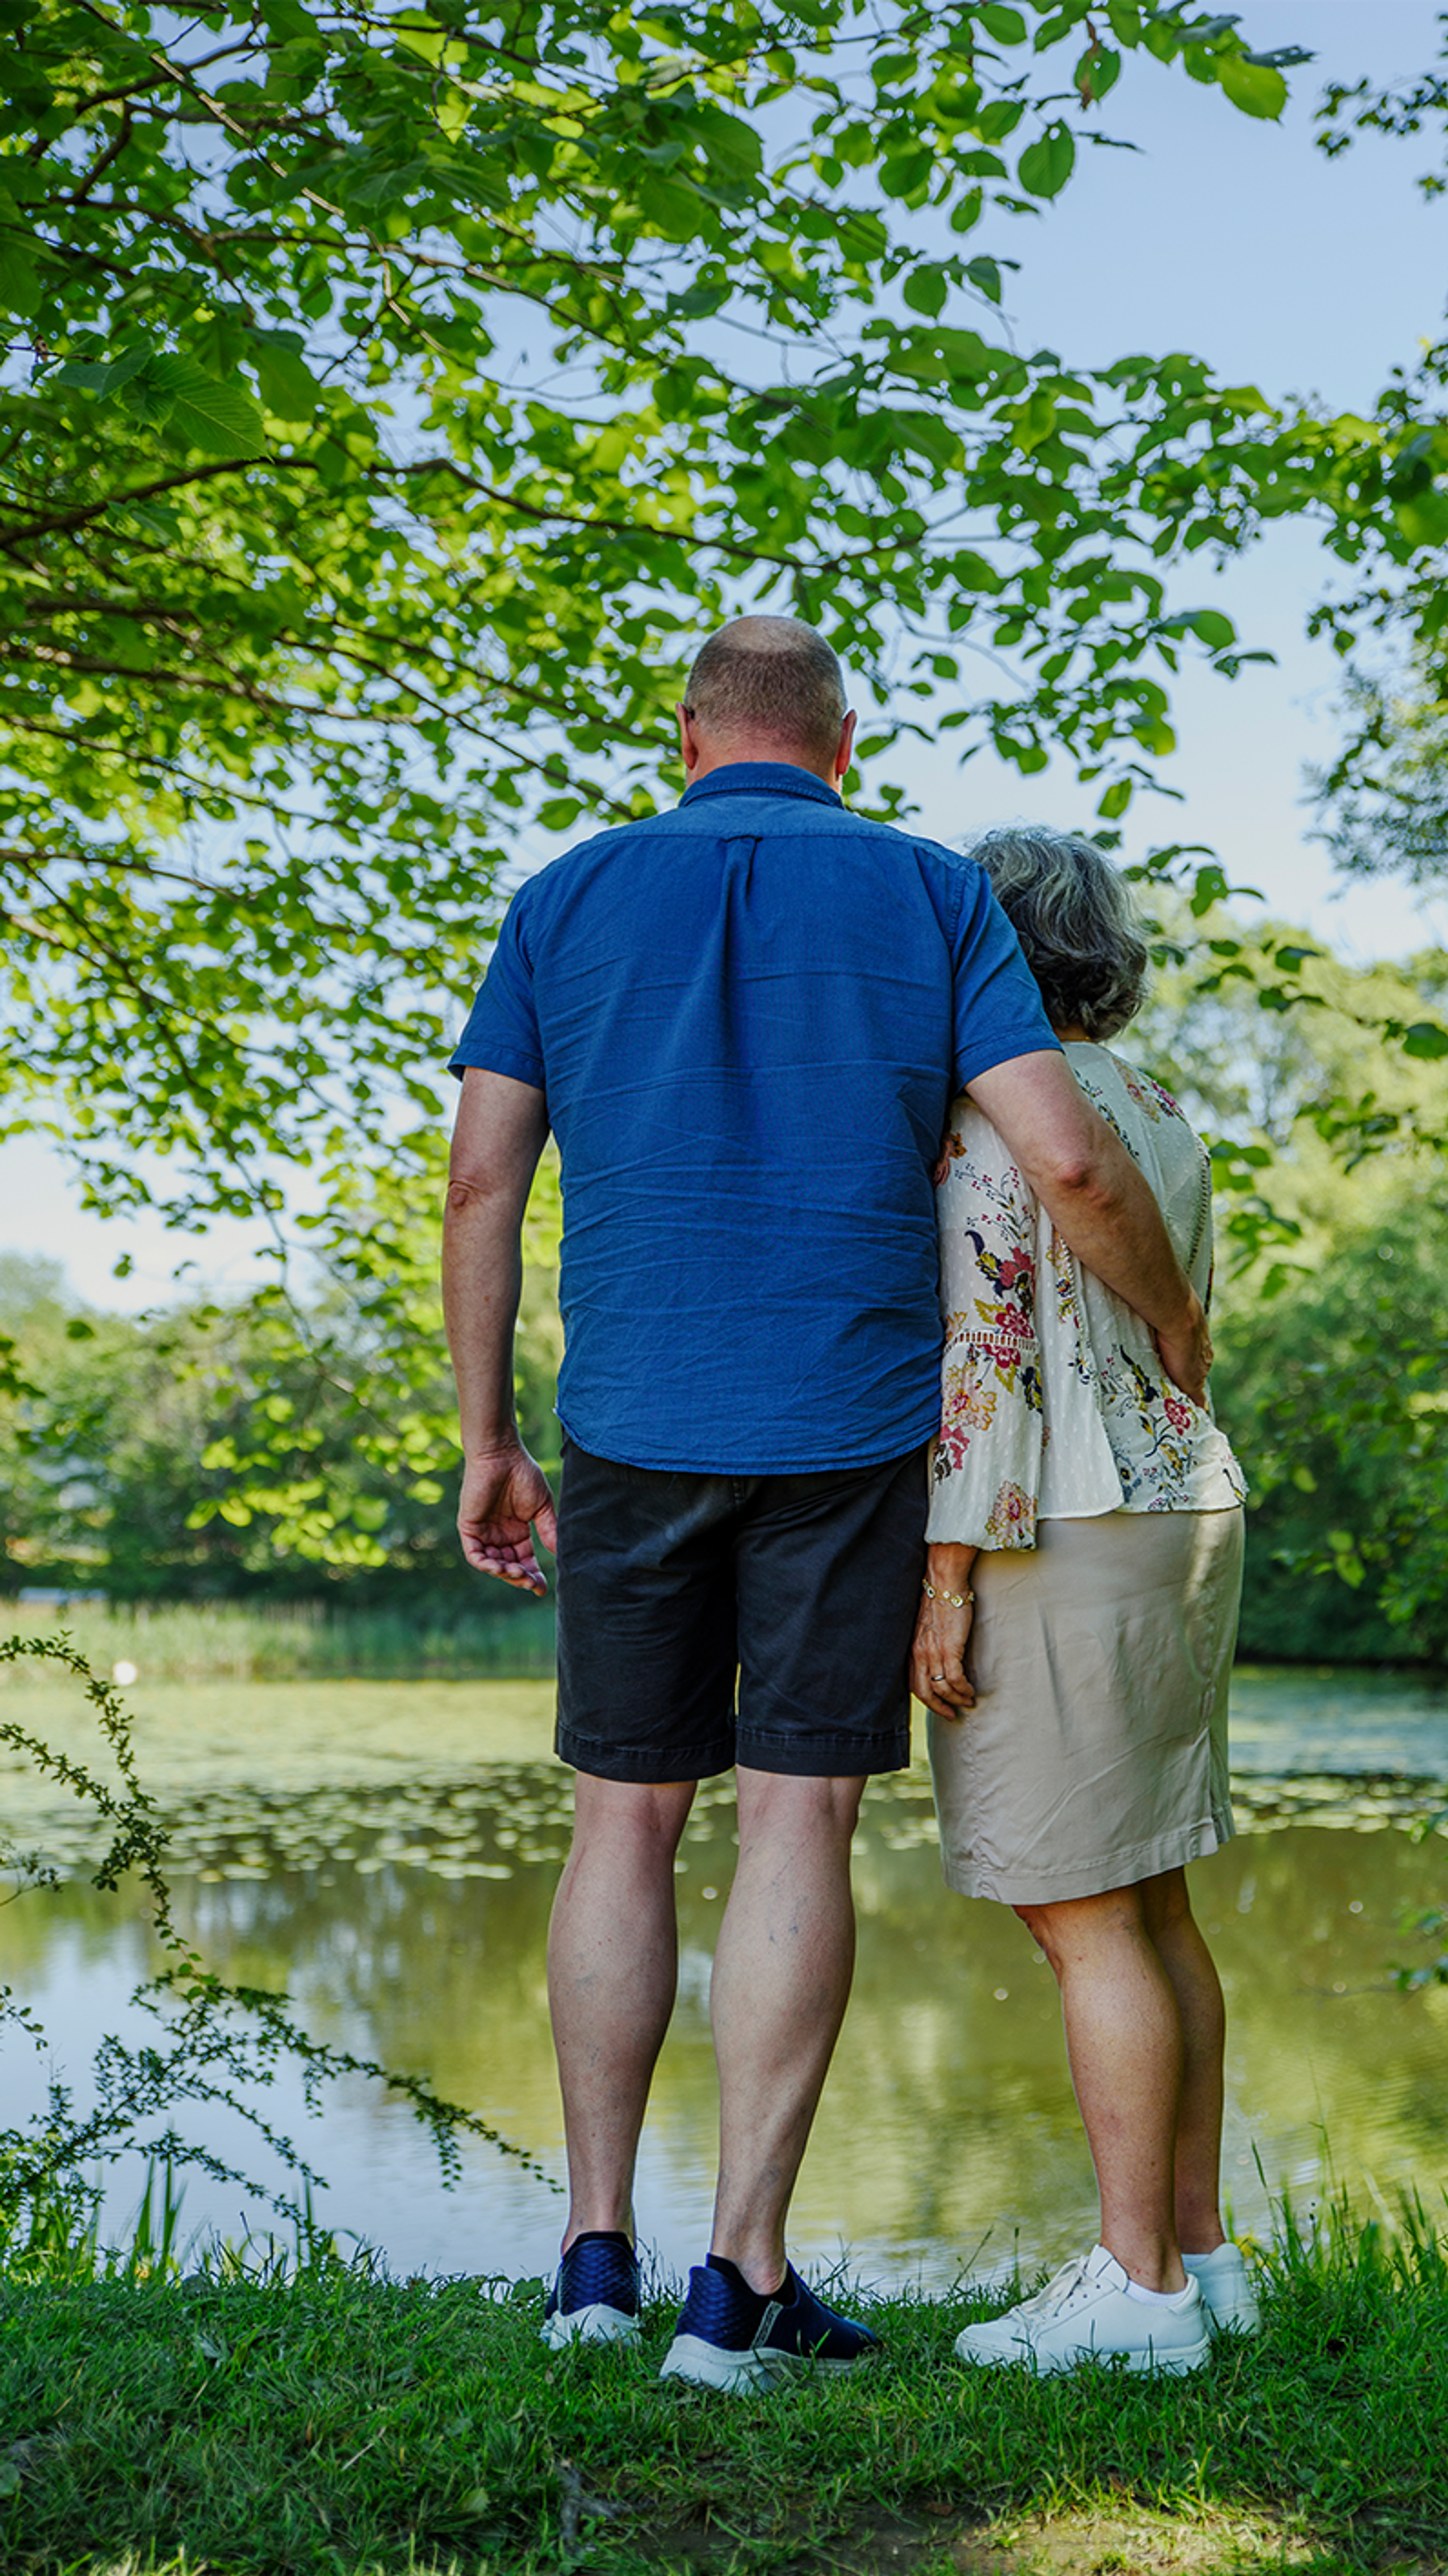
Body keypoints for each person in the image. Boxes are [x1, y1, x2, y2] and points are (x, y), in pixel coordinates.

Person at [440, 617, 1214, 2393]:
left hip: (631, 1419)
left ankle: (592, 2262)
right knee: (796, 1823)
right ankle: (739, 2285)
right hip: (851, 1428)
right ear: (844, 744)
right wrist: (1175, 1322)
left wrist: (487, 1434)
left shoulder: (562, 897)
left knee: (619, 1824)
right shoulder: (929, 892)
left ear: (687, 735)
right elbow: (1064, 1153)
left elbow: (483, 1175)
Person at [911, 826, 1254, 2379]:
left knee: (1084, 1915)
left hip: (1062, 1521)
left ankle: (1137, 2289)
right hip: (1183, 1507)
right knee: (1158, 1898)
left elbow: (986, 1362)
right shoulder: (1156, 1102)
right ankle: (1203, 2260)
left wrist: (944, 1574)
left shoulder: (1000, 1103)